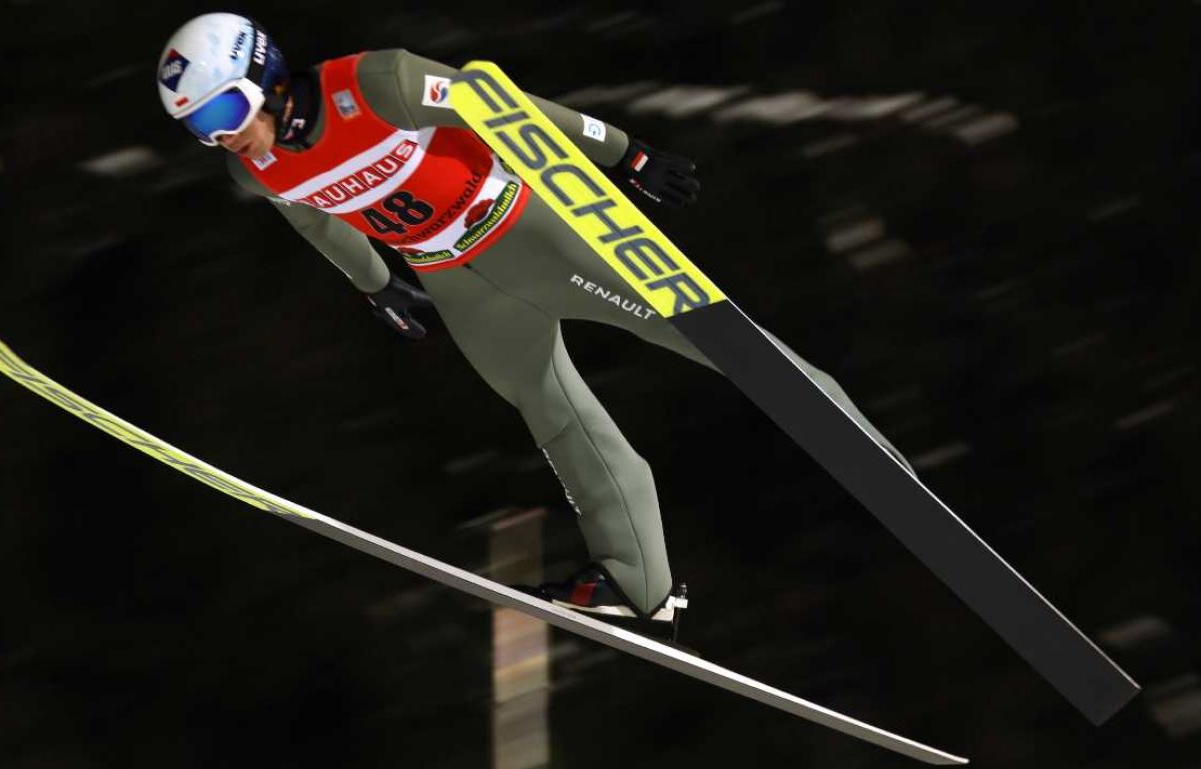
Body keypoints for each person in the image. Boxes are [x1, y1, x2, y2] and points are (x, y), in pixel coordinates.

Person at [156, 12, 915, 640]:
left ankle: (867, 455)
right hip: (458, 283)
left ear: (264, 77)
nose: (222, 137)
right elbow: (318, 222)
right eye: (200, 129)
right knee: (554, 412)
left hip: (527, 227)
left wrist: (625, 152)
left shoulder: (373, 82)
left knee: (707, 336)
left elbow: (504, 108)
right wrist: (380, 284)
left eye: (223, 112)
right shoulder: (258, 167)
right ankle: (634, 582)